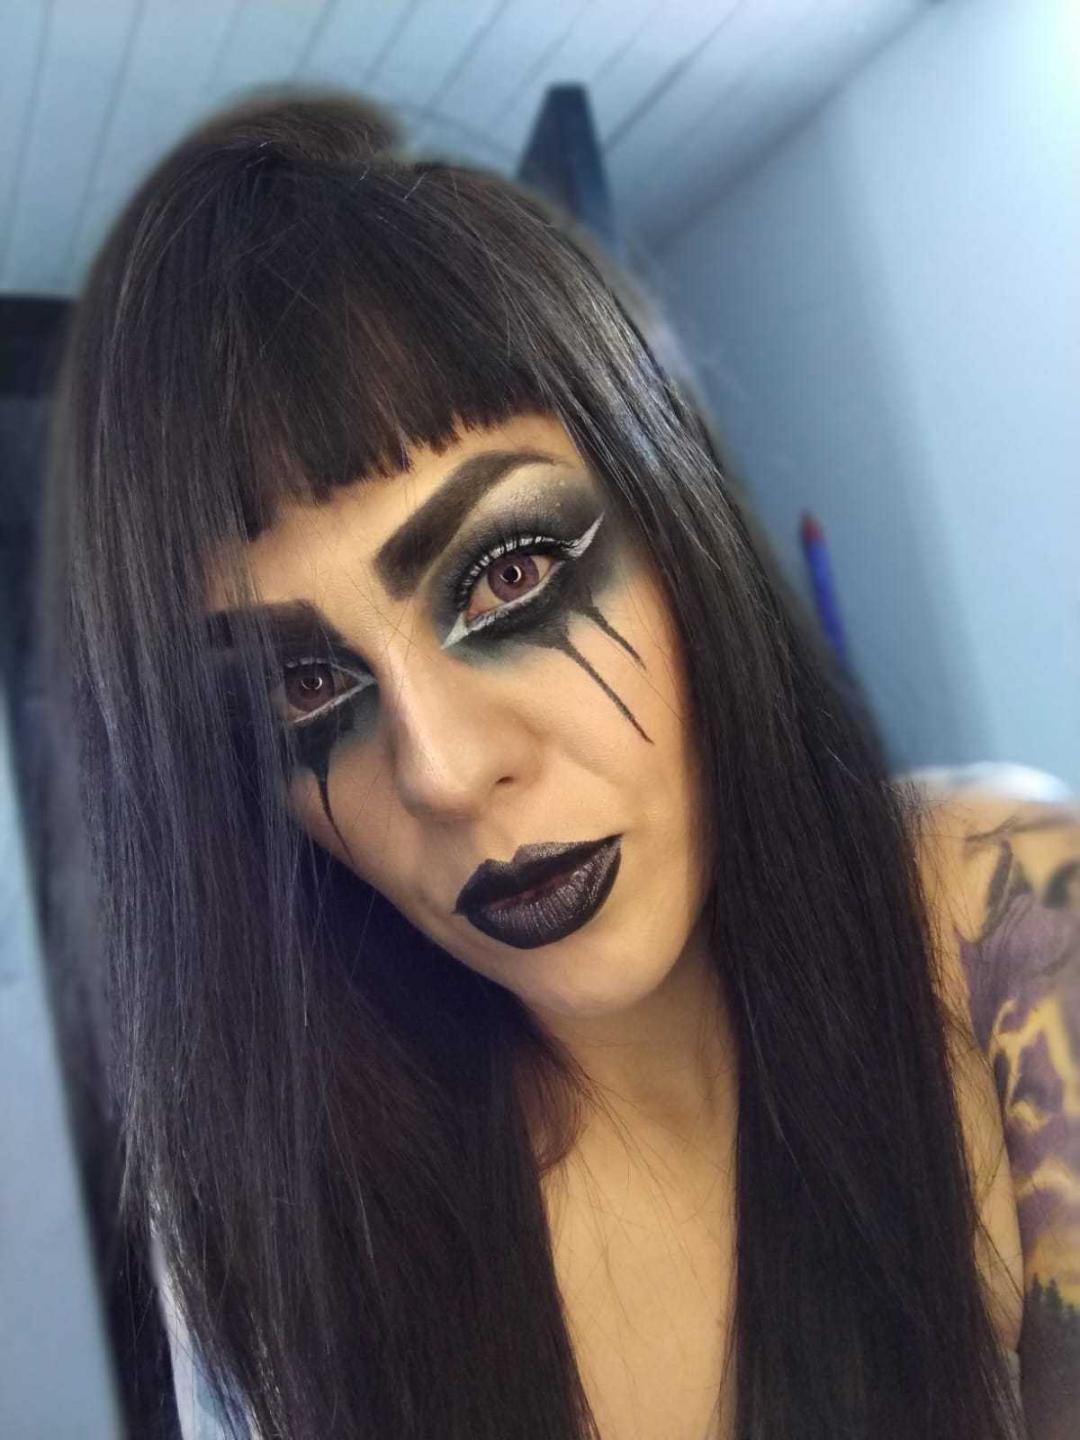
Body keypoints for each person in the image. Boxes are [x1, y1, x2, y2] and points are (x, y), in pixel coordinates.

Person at [30, 86, 1077, 1440]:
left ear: (674, 519)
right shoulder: (284, 1234)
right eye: (305, 685)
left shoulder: (1019, 930)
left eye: (510, 574)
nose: (446, 771)